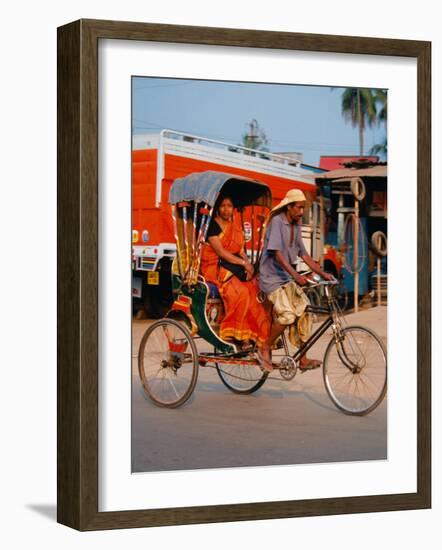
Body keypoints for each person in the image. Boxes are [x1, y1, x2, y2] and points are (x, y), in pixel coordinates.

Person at [259, 189, 333, 372]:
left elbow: (304, 255)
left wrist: (324, 274)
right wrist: (296, 275)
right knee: (288, 315)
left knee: (305, 311)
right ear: (289, 207)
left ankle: (303, 359)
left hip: (286, 278)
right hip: (271, 279)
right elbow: (277, 255)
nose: (301, 211)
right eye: (299, 208)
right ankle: (265, 346)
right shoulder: (277, 222)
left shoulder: (296, 225)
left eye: (303, 208)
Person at [200, 195, 270, 361]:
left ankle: (253, 335)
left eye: (229, 206)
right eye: (223, 205)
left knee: (255, 290)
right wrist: (243, 264)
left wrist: (248, 264)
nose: (226, 209)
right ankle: (237, 335)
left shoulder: (234, 226)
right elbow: (220, 252)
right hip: (214, 267)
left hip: (232, 266)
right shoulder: (212, 226)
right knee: (240, 292)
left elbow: (240, 250)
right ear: (218, 208)